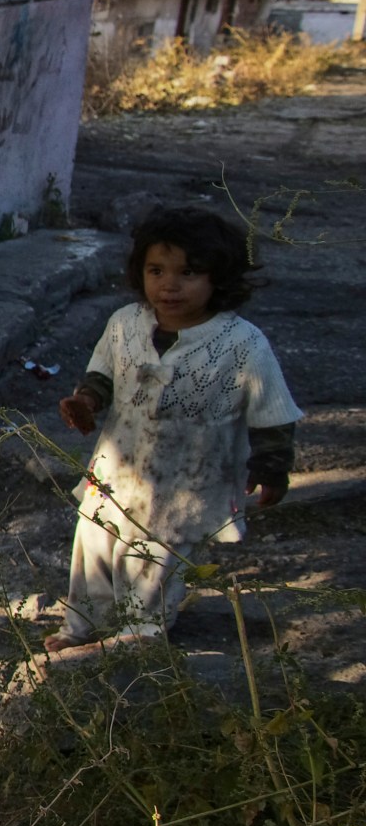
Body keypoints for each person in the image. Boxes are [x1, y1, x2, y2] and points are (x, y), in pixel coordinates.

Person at [52, 205, 302, 654]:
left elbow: (273, 412)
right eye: (156, 270)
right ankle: (82, 627)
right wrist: (85, 402)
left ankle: (138, 638)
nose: (169, 284)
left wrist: (272, 467)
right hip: (116, 470)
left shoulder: (242, 343)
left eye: (188, 272)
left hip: (189, 480)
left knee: (152, 563)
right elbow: (102, 376)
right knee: (93, 544)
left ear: (218, 278)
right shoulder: (125, 324)